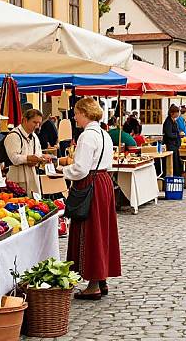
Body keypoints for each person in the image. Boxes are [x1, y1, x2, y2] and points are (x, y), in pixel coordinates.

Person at [58, 97, 121, 299]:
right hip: (103, 181)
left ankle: (93, 284)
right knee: (102, 230)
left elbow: (80, 169)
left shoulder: (87, 136)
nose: (74, 117)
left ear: (84, 113)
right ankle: (101, 279)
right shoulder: (104, 134)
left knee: (90, 232)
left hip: (90, 183)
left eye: (76, 113)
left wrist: (61, 170)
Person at [4, 109, 51, 195]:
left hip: (32, 177)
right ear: (25, 120)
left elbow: (38, 153)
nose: (37, 126)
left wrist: (42, 158)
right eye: (34, 122)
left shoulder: (35, 137)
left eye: (39, 123)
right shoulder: (13, 136)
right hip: (17, 179)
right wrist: (29, 158)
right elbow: (14, 158)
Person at [163, 104, 183, 176]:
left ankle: (176, 175)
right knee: (173, 162)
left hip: (174, 145)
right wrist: (177, 135)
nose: (178, 114)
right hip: (171, 145)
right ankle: (173, 176)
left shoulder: (173, 121)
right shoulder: (168, 122)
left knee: (176, 162)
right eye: (176, 112)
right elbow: (168, 134)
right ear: (172, 113)